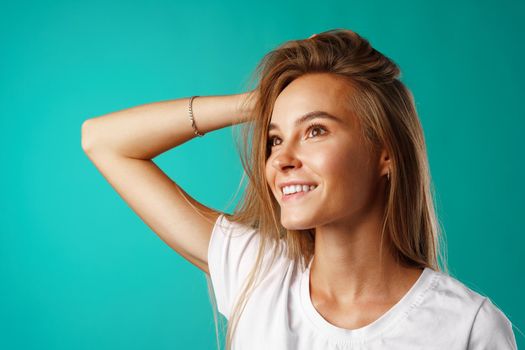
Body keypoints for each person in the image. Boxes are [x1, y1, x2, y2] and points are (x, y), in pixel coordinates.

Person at [81, 29, 518, 350]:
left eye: (315, 131)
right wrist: (258, 101)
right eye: (274, 138)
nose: (281, 160)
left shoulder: (469, 328)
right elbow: (103, 140)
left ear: (386, 153)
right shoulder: (256, 272)